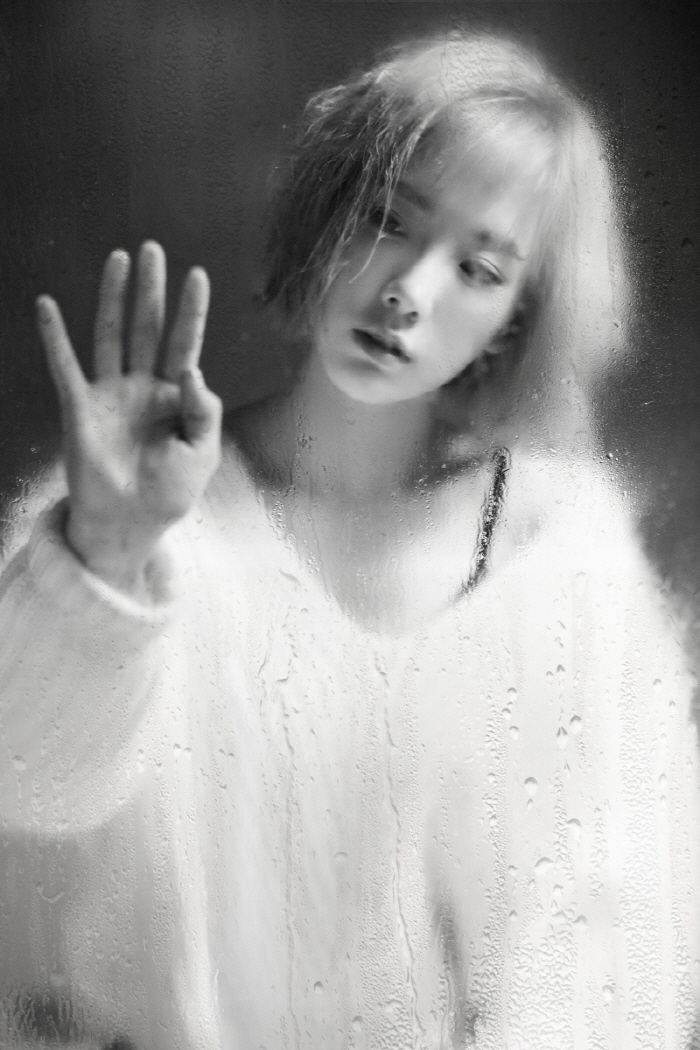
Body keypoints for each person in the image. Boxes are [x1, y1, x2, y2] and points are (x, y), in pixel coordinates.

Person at [1, 27, 699, 1050]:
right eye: (388, 221)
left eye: (478, 267)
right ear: (331, 216)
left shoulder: (563, 561)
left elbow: (609, 948)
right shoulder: (141, 511)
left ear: (514, 320)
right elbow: (28, 797)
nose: (408, 291)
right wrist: (103, 550)